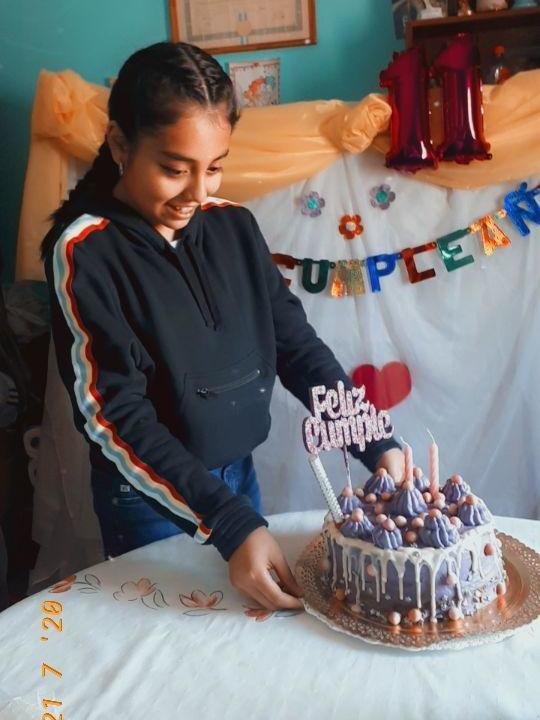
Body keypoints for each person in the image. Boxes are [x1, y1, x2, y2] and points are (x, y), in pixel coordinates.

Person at [41, 42, 404, 611]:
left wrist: (374, 440)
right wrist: (230, 523)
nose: (199, 193)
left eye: (214, 168)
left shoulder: (234, 226)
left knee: (245, 632)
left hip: (238, 480)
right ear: (119, 144)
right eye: (174, 170)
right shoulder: (84, 251)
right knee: (167, 644)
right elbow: (114, 416)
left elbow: (297, 348)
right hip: (151, 499)